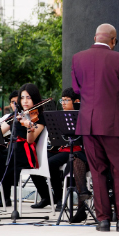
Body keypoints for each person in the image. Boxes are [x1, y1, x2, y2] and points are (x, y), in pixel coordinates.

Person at [71, 23, 119, 232]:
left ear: (95, 37)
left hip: (88, 124)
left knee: (97, 172)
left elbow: (77, 89)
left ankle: (103, 220)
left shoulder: (78, 58)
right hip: (113, 124)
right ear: (113, 41)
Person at [0, 84, 45, 220]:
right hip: (11, 152)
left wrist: (29, 127)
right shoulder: (16, 115)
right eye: (22, 98)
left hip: (24, 155)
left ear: (35, 99)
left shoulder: (38, 117)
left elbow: (30, 140)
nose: (25, 101)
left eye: (29, 98)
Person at [38, 88, 88, 217]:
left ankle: (60, 197)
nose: (63, 103)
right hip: (62, 148)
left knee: (51, 163)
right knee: (40, 159)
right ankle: (53, 195)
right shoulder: (60, 116)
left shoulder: (82, 116)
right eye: (62, 100)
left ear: (76, 101)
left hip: (75, 150)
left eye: (67, 100)